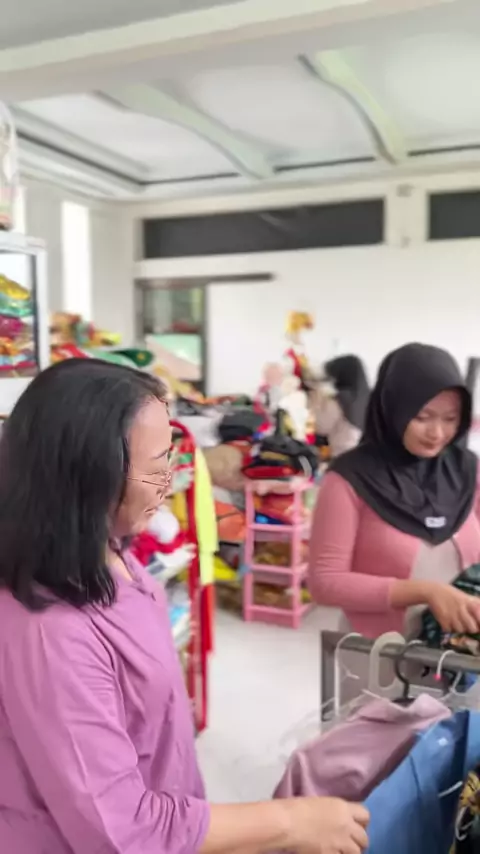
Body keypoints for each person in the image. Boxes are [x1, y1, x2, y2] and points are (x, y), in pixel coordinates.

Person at [0, 359, 369, 854]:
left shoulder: (113, 553)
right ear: (90, 475)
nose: (170, 478)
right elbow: (121, 831)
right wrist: (290, 822)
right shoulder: (52, 635)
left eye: (171, 457)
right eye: (157, 465)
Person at [309, 343, 480, 640]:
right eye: (422, 417)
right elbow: (325, 582)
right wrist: (426, 592)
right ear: (394, 409)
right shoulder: (349, 477)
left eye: (450, 419)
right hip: (379, 652)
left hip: (457, 650)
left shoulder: (466, 470)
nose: (437, 433)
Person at [309, 355, 370, 458]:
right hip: (362, 457)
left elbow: (320, 427)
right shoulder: (369, 399)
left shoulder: (342, 399)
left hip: (341, 456)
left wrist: (315, 399)